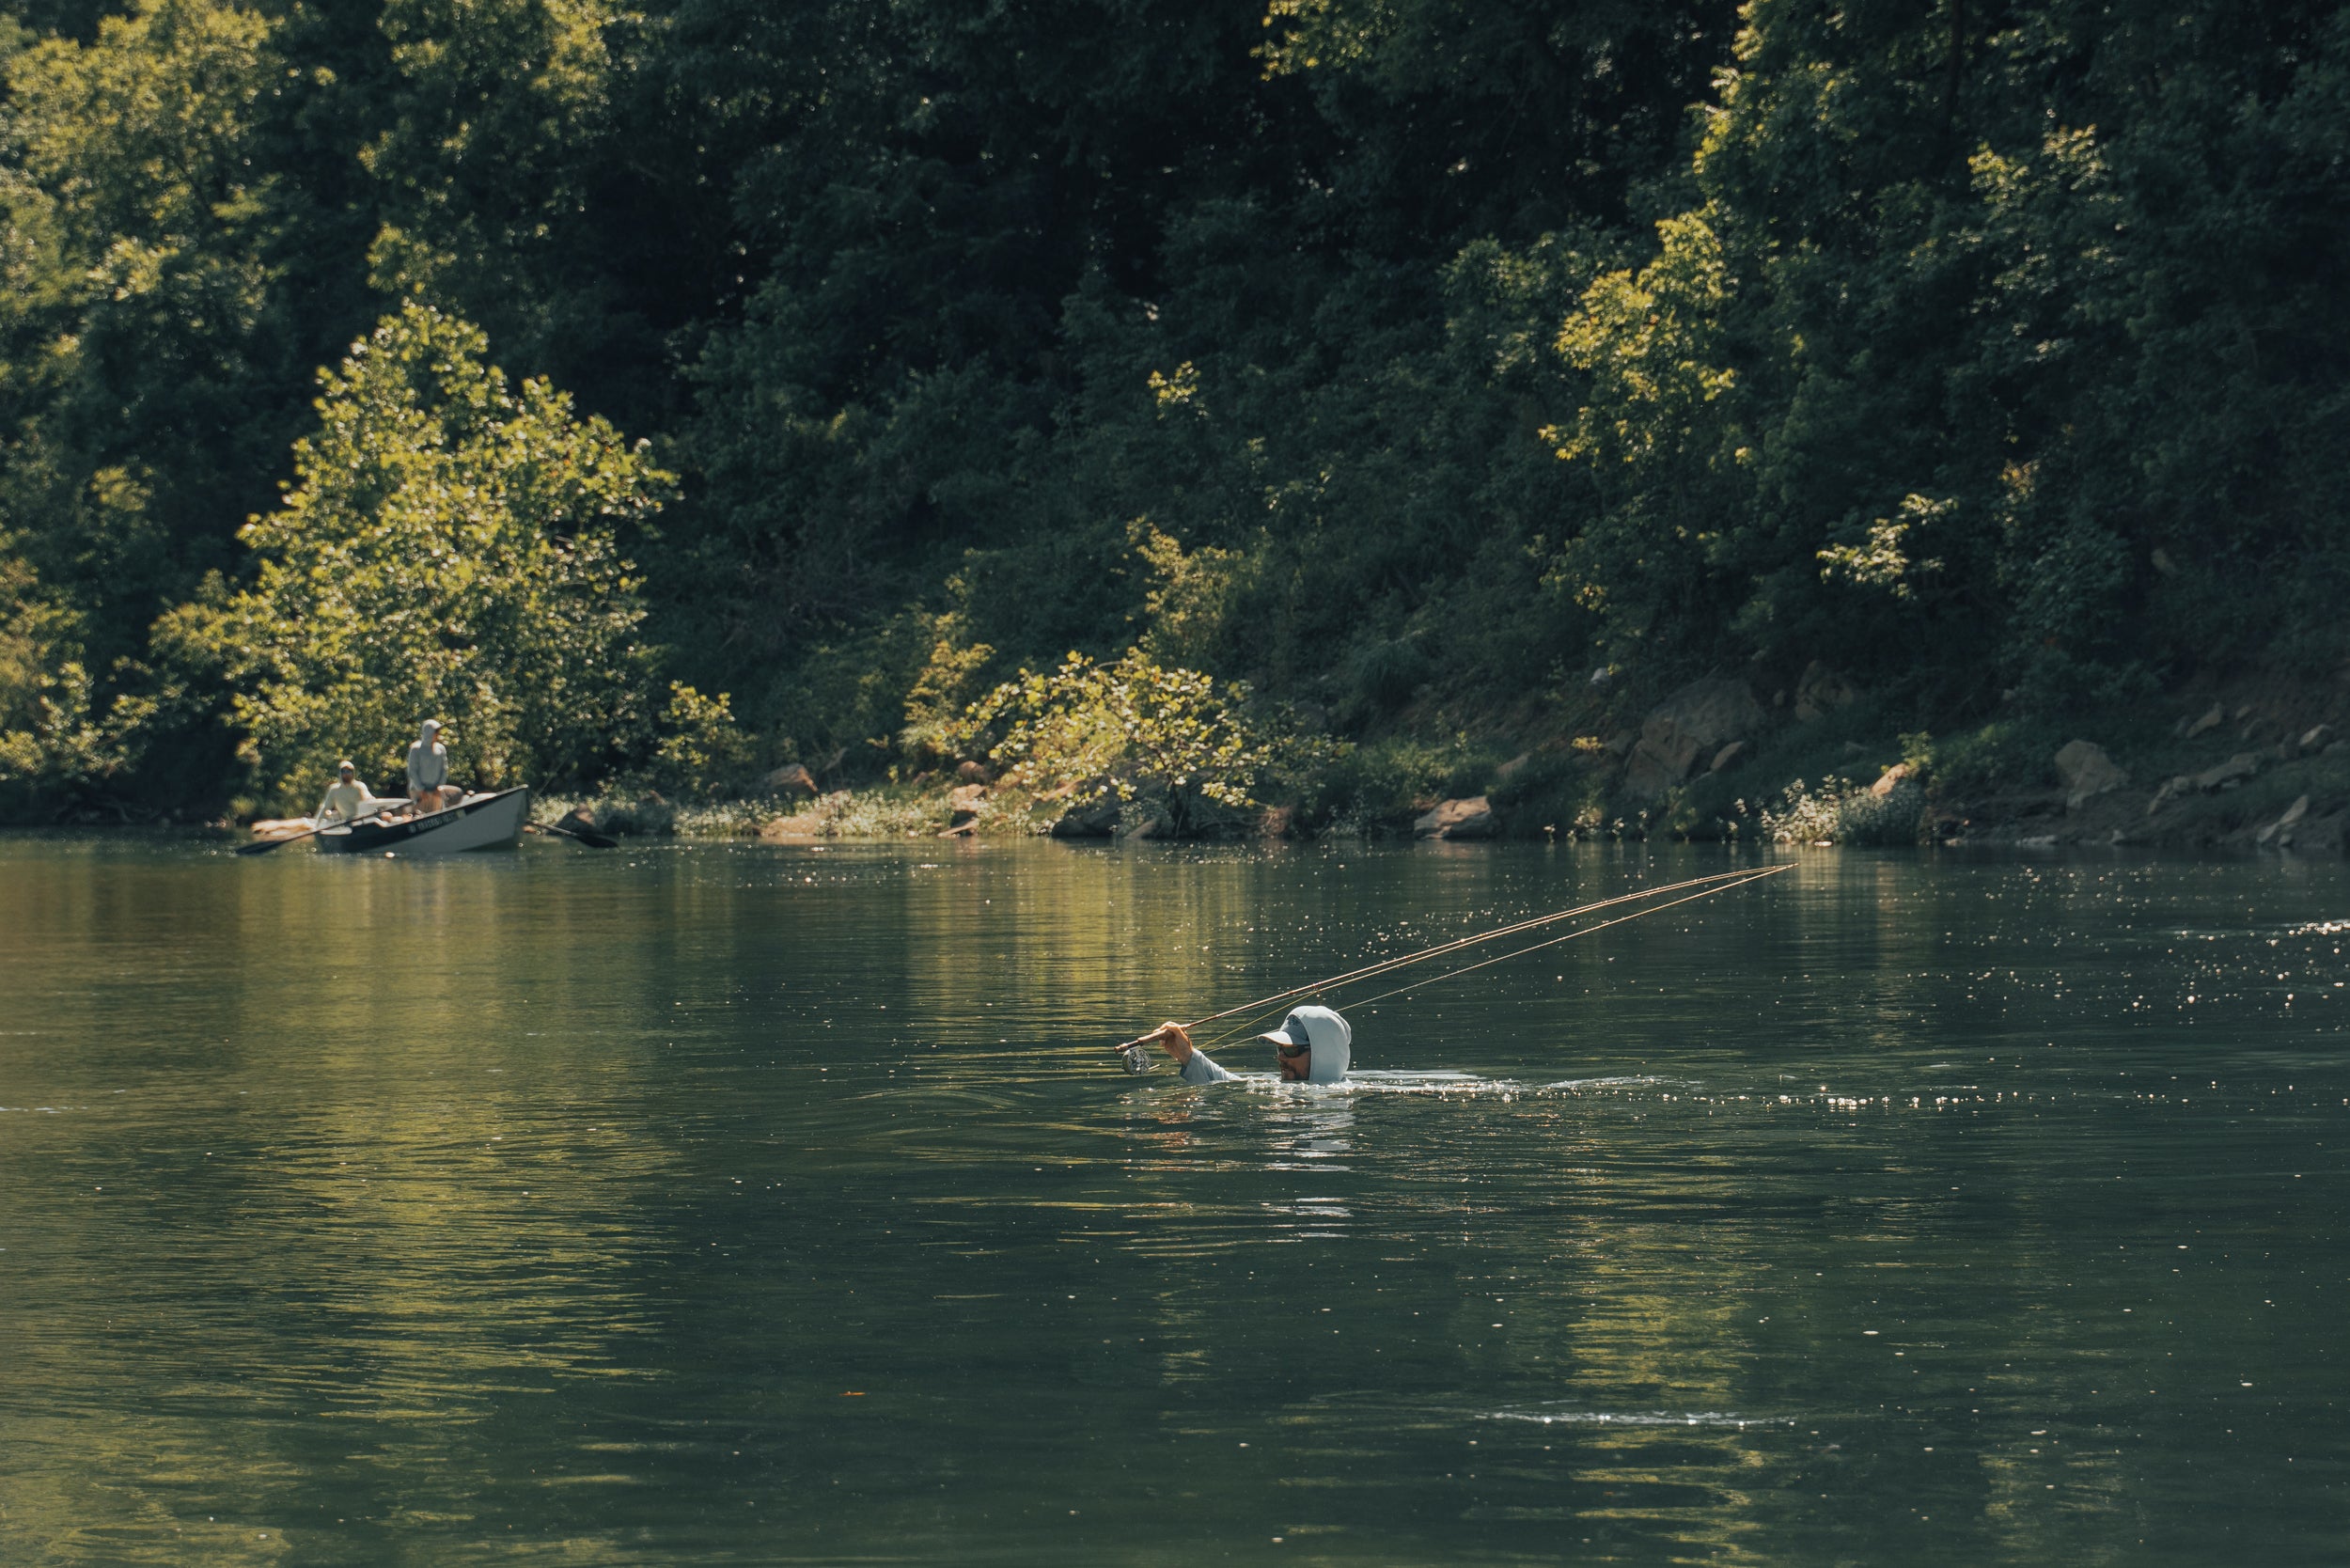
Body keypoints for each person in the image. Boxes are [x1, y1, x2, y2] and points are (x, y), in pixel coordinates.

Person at [1145, 1004, 1352, 1086]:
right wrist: (1187, 1055)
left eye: (1290, 1049)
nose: (1280, 1057)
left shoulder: (1339, 1098)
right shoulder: (1279, 1090)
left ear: (1323, 1054)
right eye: (1279, 1048)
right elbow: (1230, 1084)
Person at [312, 760, 382, 826]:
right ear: (340, 773)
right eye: (344, 771)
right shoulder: (334, 790)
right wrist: (316, 824)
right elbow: (325, 807)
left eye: (349, 771)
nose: (346, 773)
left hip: (363, 820)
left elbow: (369, 800)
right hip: (348, 823)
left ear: (353, 772)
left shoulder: (359, 786)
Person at [406, 719, 452, 812]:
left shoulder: (441, 749)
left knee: (437, 814)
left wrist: (439, 786)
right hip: (419, 792)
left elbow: (444, 769)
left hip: (436, 791)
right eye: (436, 732)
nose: (437, 734)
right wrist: (421, 789)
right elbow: (412, 771)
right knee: (420, 816)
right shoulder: (416, 749)